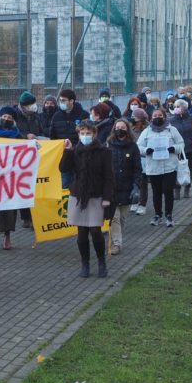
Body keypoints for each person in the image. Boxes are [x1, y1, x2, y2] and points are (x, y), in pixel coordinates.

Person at [59, 120, 114, 278]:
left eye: (88, 133)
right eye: (82, 133)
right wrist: (68, 152)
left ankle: (101, 262)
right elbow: (64, 169)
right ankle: (85, 264)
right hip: (78, 195)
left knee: (95, 231)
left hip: (96, 196)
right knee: (81, 233)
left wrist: (107, 198)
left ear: (94, 134)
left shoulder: (104, 152)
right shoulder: (76, 150)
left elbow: (109, 177)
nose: (85, 136)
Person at [137, 109, 185, 227]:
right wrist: (145, 151)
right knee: (156, 192)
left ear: (164, 117)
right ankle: (158, 214)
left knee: (168, 192)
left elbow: (181, 144)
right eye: (155, 115)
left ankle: (169, 215)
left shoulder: (172, 130)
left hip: (169, 167)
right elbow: (138, 146)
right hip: (153, 167)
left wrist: (174, 148)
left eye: (160, 115)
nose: (157, 117)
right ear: (151, 118)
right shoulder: (146, 132)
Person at [0, 108, 22, 250]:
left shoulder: (18, 137)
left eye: (10, 117)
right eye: (4, 116)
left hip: (10, 177)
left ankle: (7, 237)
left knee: (9, 209)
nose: (6, 119)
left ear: (13, 121)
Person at [106, 119, 141, 255]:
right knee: (114, 217)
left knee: (122, 218)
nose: (120, 129)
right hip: (112, 187)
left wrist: (136, 186)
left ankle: (118, 238)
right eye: (117, 127)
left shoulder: (133, 147)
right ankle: (117, 244)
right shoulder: (108, 145)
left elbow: (137, 168)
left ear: (127, 130)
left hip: (127, 187)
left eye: (123, 127)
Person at [168, 98, 192, 199]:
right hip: (176, 149)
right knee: (175, 169)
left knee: (187, 170)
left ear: (184, 107)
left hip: (189, 148)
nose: (176, 109)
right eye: (175, 107)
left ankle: (187, 189)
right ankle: (176, 190)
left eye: (178, 106)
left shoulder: (191, 118)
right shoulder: (171, 120)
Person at [129, 107, 150, 215]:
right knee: (134, 181)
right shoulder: (131, 129)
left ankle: (142, 204)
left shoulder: (148, 129)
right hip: (132, 159)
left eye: (134, 116)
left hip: (144, 159)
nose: (132, 118)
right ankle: (134, 201)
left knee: (143, 183)